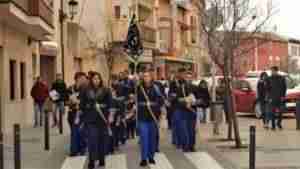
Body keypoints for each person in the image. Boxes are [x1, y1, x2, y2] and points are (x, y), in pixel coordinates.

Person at [79, 72, 112, 169]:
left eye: (98, 78)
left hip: (102, 119)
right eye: (94, 79)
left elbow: (110, 104)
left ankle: (101, 158)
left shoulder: (106, 90)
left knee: (102, 140)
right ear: (91, 80)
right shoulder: (86, 90)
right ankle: (92, 160)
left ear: (100, 80)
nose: (96, 80)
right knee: (92, 140)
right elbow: (82, 104)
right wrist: (81, 114)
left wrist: (110, 115)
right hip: (90, 119)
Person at [137, 71, 163, 167]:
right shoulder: (138, 88)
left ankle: (151, 156)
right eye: (144, 76)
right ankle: (144, 158)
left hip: (153, 116)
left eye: (148, 76)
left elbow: (160, 100)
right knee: (144, 138)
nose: (146, 78)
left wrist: (153, 105)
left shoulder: (156, 88)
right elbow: (134, 100)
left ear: (151, 78)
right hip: (142, 116)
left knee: (152, 138)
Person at [169, 68, 195, 152]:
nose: (183, 75)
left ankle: (189, 144)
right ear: (178, 74)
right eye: (182, 74)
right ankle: (181, 143)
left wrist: (191, 100)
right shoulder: (174, 83)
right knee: (180, 127)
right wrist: (176, 97)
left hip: (189, 108)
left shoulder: (188, 83)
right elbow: (171, 95)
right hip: (177, 107)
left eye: (184, 74)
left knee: (189, 128)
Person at [66, 72, 88, 156]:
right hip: (72, 113)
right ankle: (75, 150)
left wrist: (80, 102)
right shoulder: (70, 89)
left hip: (82, 113)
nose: (85, 80)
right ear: (78, 78)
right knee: (74, 132)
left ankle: (81, 149)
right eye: (83, 78)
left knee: (81, 132)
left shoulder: (86, 89)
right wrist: (71, 101)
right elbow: (66, 102)